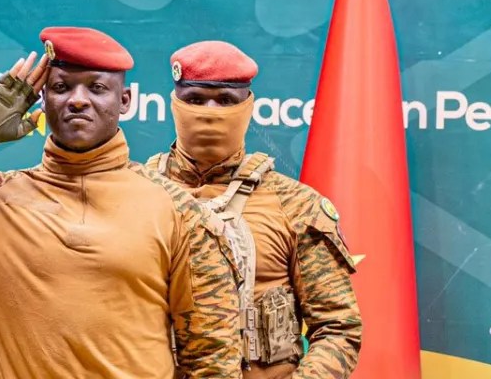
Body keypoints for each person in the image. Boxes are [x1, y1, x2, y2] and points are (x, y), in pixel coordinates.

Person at [0, 27, 242, 378]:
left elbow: (213, 355)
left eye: (96, 88)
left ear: (125, 100)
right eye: (62, 87)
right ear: (41, 98)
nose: (78, 100)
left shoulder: (178, 212)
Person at [143, 40, 362, 378]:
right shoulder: (134, 193)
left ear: (248, 106)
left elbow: (338, 327)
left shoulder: (295, 205)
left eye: (226, 100)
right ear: (174, 103)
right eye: (195, 99)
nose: (210, 112)